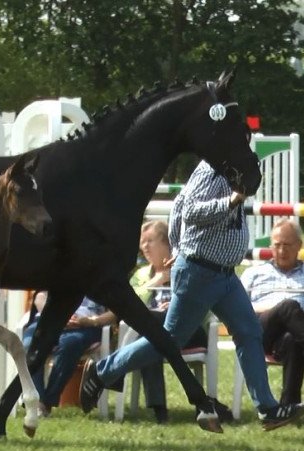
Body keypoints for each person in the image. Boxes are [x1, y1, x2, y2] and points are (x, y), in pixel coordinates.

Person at [80, 160, 304, 431]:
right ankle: (101, 371)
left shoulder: (231, 173)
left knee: (248, 331)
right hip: (200, 272)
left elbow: (178, 205)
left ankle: (267, 408)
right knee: (169, 340)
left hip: (224, 274)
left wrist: (175, 244)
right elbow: (190, 209)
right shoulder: (211, 171)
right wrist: (231, 202)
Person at [129, 220, 208, 424]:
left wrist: (174, 307)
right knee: (152, 338)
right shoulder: (140, 275)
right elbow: (128, 304)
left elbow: (201, 303)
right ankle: (159, 410)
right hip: (156, 330)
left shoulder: (186, 268)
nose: (144, 247)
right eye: (142, 242)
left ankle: (158, 409)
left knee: (150, 332)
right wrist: (156, 281)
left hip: (188, 330)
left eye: (150, 241)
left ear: (167, 243)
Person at [240, 219, 304, 404]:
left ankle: (288, 407)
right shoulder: (254, 273)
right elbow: (239, 308)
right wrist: (275, 308)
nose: (282, 251)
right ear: (270, 246)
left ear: (299, 245)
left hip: (293, 333)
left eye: (287, 245)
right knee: (288, 306)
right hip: (260, 332)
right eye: (277, 245)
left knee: (293, 341)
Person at [22, 293, 116, 417]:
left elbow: (115, 313)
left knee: (69, 344)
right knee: (30, 344)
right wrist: (57, 317)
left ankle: (47, 402)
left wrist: (92, 321)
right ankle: (37, 401)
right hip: (50, 318)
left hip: (86, 325)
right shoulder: (56, 272)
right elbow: (40, 297)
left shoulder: (104, 277)